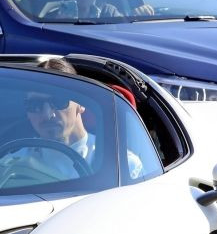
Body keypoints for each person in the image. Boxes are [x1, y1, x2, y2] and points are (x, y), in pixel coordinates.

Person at [14, 58, 144, 179]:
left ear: (81, 103)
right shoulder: (12, 167)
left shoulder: (123, 167)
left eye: (59, 101)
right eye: (35, 105)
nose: (48, 114)